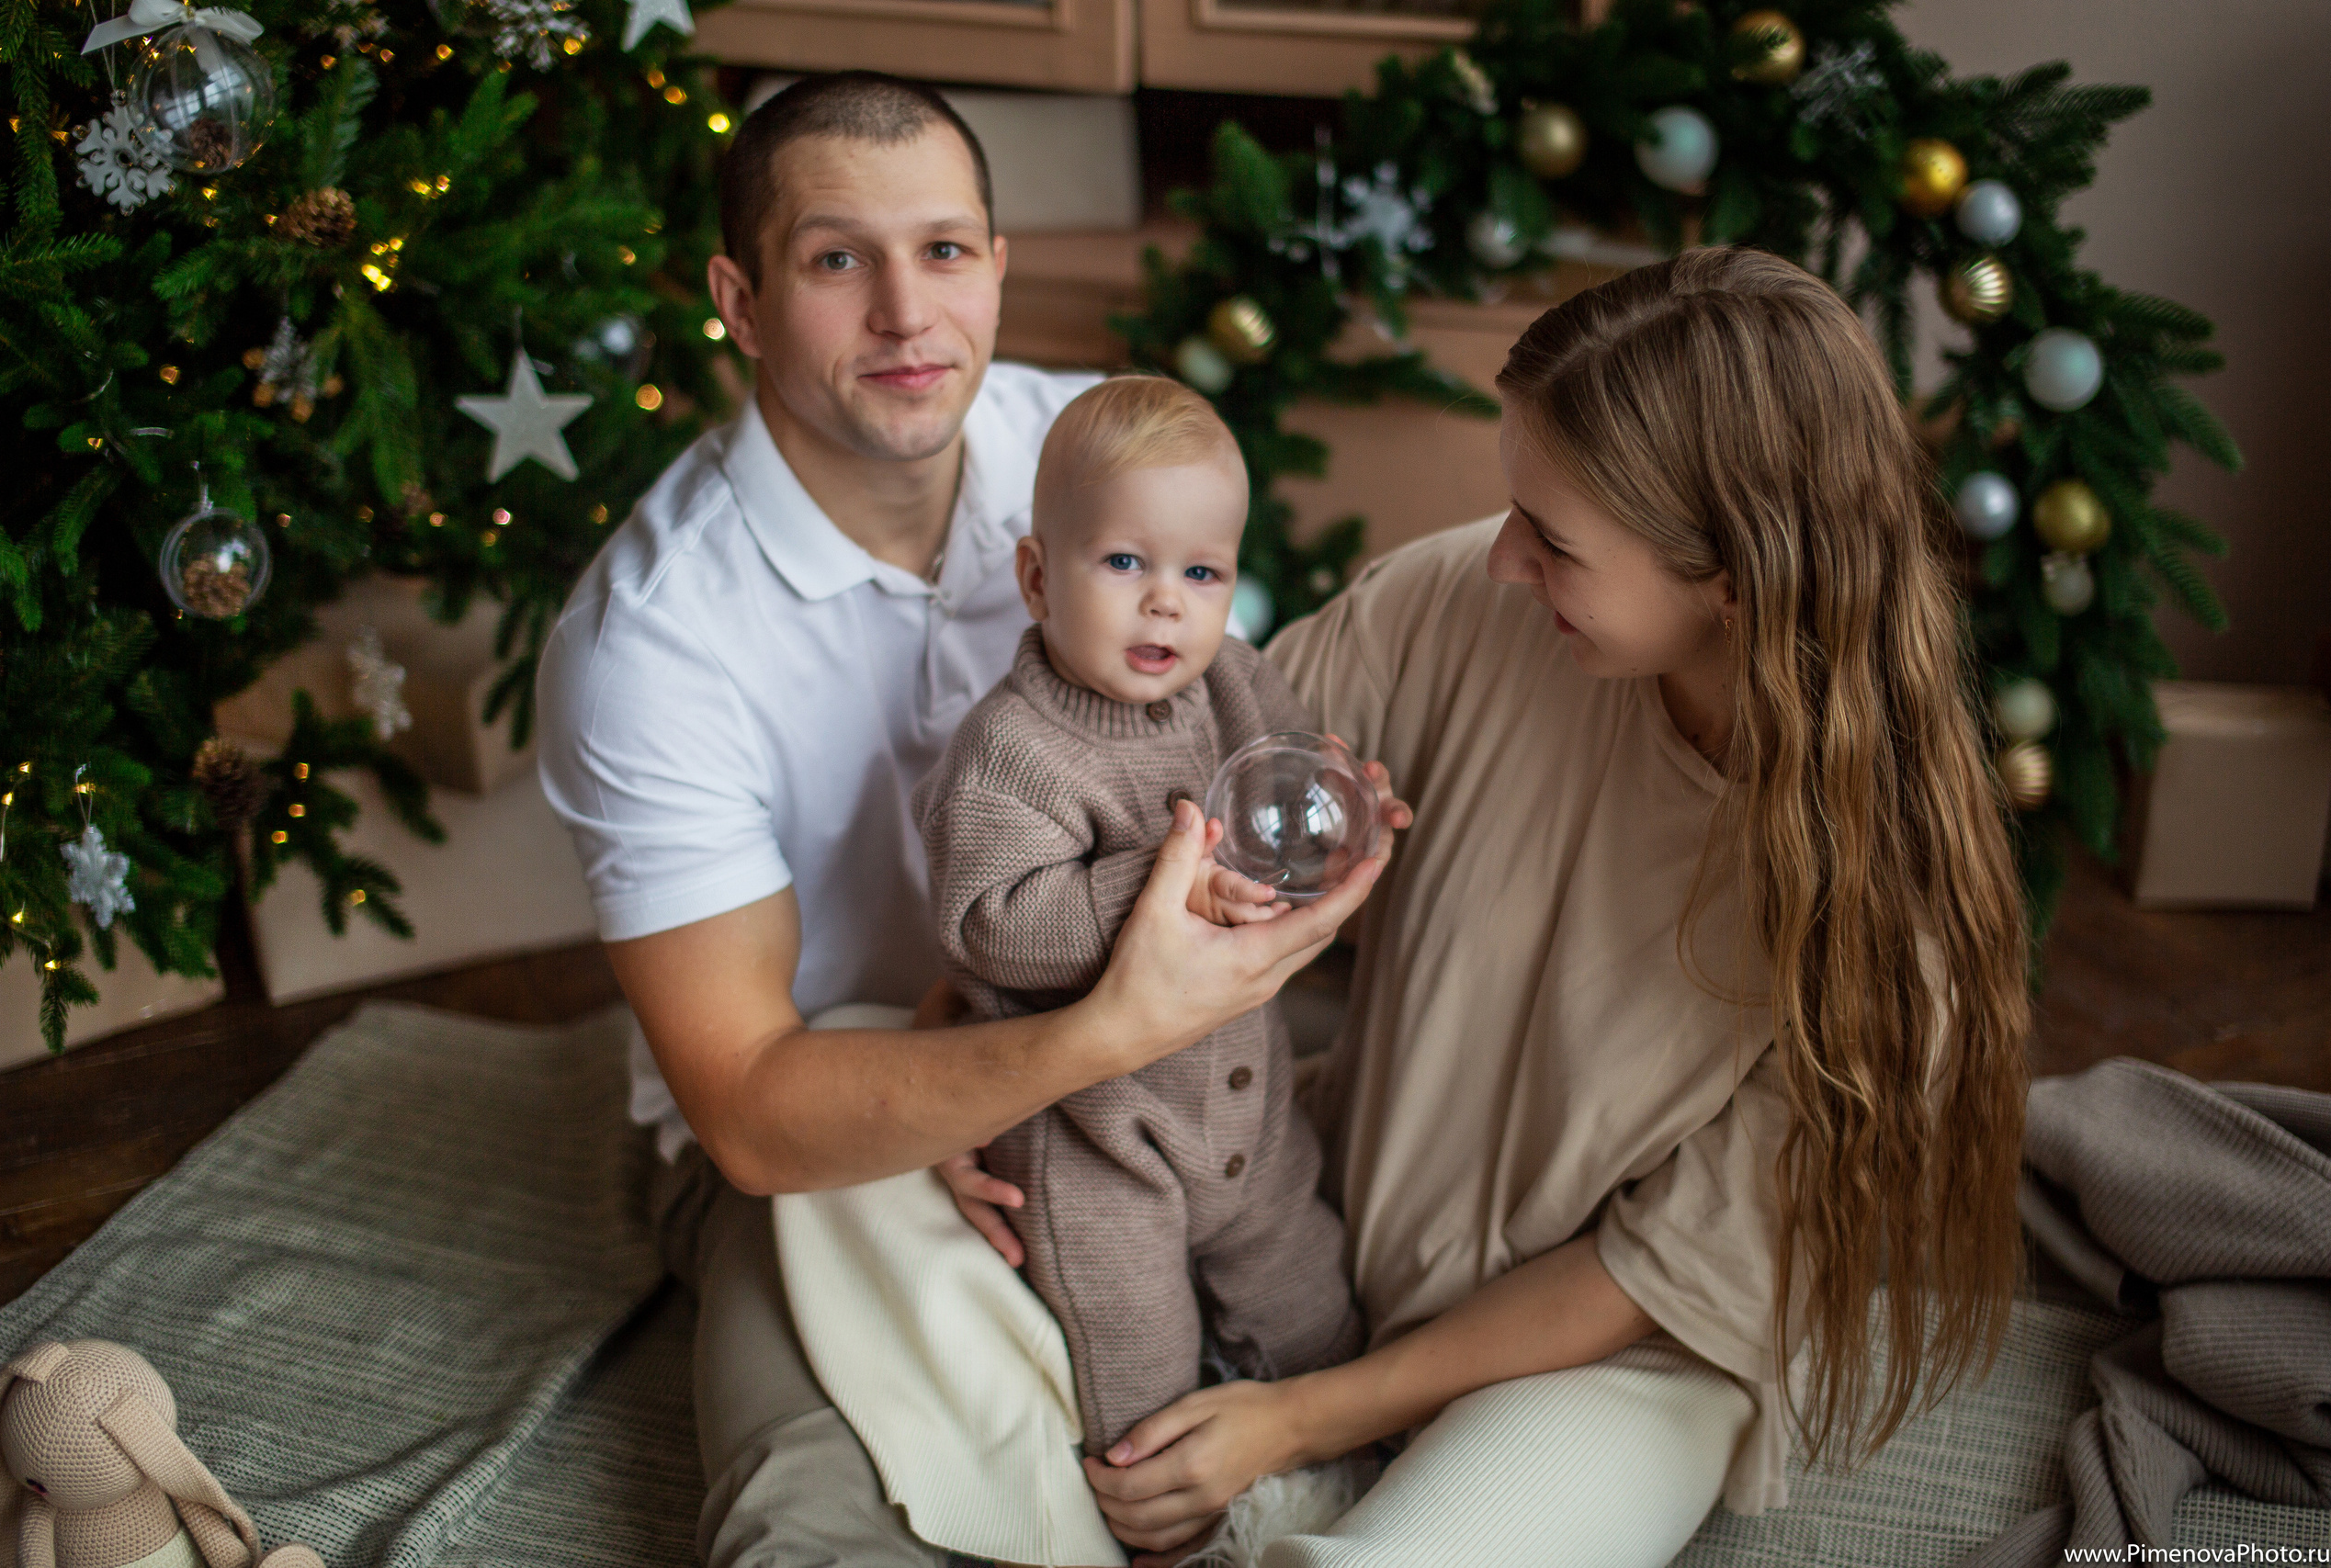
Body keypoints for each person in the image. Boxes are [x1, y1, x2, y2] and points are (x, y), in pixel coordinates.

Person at [944, 248, 2032, 1567]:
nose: (1508, 558)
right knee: (848, 1159)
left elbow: (1655, 1272)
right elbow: (1188, 807)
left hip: (1602, 1359)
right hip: (1324, 1211)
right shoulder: (1464, 599)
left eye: (1557, 539)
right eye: (1517, 508)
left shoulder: (1889, 894)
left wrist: (1294, 1421)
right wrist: (980, 1061)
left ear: (1735, 578)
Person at [536, 73, 1385, 1568]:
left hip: (1144, 1058)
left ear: (997, 263)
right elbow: (745, 1108)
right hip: (825, 1129)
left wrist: (1308, 828)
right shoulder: (650, 643)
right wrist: (1076, 1040)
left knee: (1348, 1282)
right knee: (836, 1506)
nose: (905, 315)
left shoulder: (1095, 455)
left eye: (942, 249)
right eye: (835, 258)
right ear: (738, 297)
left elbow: (1235, 707)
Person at [913, 376, 1380, 1460]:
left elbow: (1288, 780)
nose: (1165, 600)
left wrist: (1338, 811)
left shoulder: (1235, 688)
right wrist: (1159, 886)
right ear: (1037, 576)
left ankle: (1334, 1471)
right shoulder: (1008, 754)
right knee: (1138, 1372)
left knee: (1313, 1305)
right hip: (1096, 1147)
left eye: (1200, 571)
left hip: (1251, 1121)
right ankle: (1161, 1517)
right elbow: (990, 922)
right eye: (1124, 562)